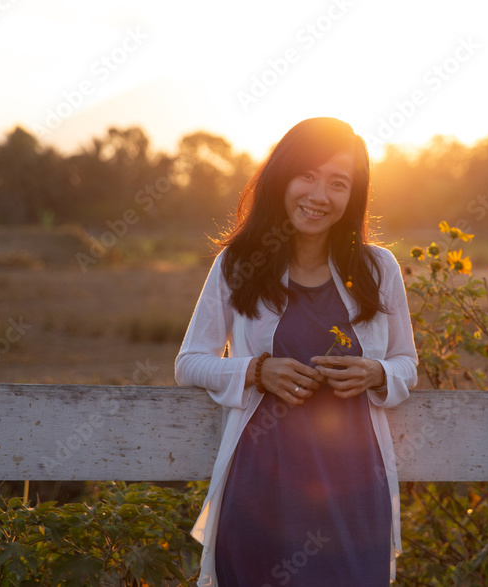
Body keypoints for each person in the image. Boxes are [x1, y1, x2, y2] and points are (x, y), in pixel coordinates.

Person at [175, 117, 419, 586]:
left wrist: (376, 373)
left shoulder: (378, 268)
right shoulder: (237, 264)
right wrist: (256, 371)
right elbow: (189, 363)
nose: (319, 194)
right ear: (282, 177)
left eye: (338, 183)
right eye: (307, 174)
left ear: (352, 196)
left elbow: (406, 364)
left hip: (355, 491)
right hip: (260, 492)